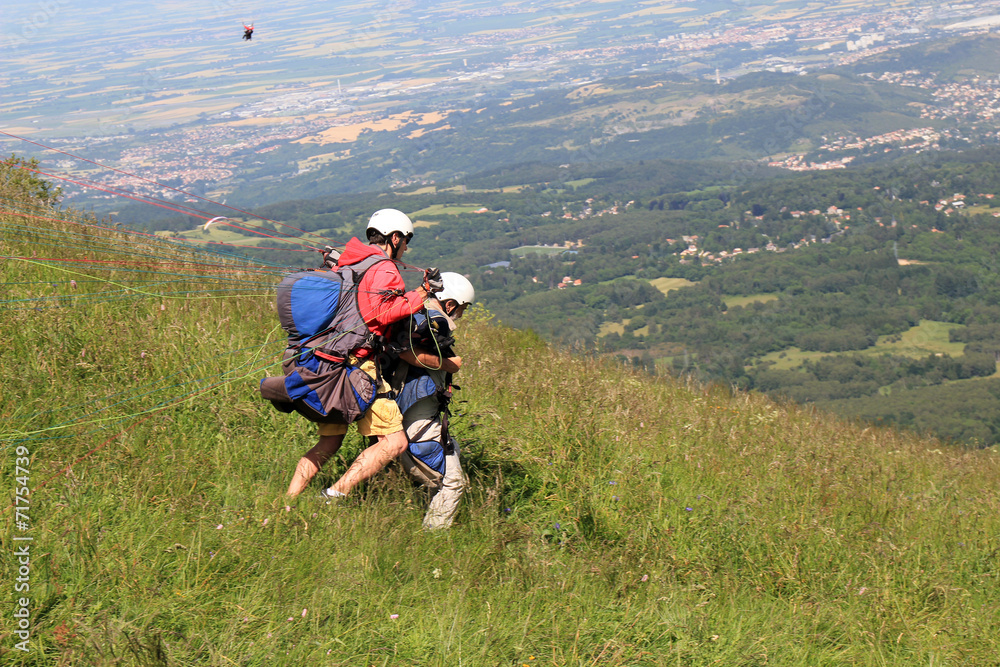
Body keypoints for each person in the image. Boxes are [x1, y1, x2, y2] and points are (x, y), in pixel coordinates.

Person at [284, 209, 440, 499]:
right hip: (357, 368)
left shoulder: (351, 261)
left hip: (327, 361)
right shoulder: (384, 268)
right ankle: (333, 496)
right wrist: (423, 293)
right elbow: (381, 314)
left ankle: (287, 502)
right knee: (394, 442)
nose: (406, 247)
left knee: (329, 442)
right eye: (405, 241)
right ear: (394, 237)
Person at [392, 272, 475, 530]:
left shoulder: (415, 314)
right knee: (454, 483)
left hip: (401, 421)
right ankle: (432, 537)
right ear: (449, 304)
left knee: (455, 451)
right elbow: (407, 352)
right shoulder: (434, 320)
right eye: (461, 308)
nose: (460, 314)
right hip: (416, 427)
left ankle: (424, 511)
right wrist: (449, 364)